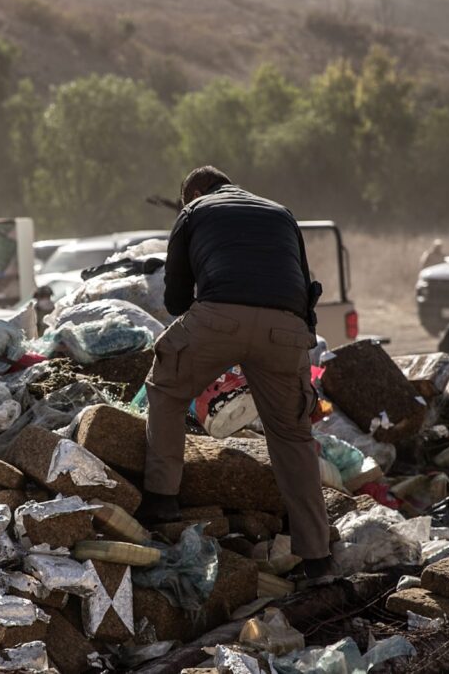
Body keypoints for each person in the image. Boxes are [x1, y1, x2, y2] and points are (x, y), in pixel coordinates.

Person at [141, 166, 332, 582]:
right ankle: (318, 556)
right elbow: (303, 283)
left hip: (219, 318)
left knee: (166, 389)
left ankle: (161, 498)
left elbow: (176, 300)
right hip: (287, 330)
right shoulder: (281, 213)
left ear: (193, 192)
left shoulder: (193, 213)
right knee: (293, 436)